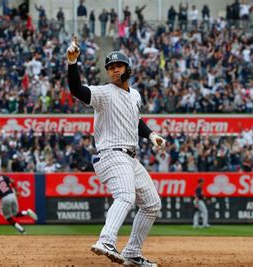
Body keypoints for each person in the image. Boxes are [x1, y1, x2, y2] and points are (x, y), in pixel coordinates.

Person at [67, 36, 166, 266]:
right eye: (110, 67)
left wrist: (152, 135)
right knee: (125, 196)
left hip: (130, 157)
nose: (114, 71)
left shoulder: (135, 95)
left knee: (152, 204)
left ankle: (132, 252)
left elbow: (135, 122)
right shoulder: (104, 93)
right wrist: (72, 63)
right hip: (111, 153)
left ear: (128, 68)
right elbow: (77, 89)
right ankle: (106, 240)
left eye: (118, 66)